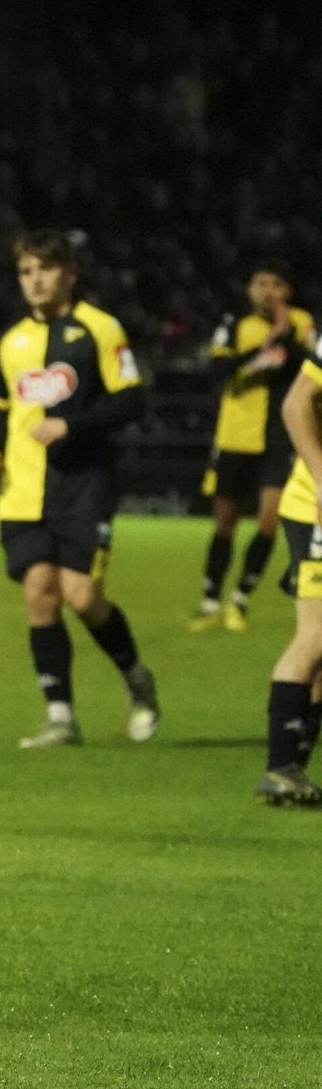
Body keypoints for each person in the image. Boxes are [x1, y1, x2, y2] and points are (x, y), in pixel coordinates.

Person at [0, 230, 158, 749]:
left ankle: (137, 679)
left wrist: (71, 427)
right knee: (40, 594)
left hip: (84, 482)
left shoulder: (100, 330)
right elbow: (0, 405)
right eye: (25, 272)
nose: (34, 281)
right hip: (23, 487)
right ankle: (61, 717)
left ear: (69, 274)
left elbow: (131, 401)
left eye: (44, 270)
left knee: (82, 596)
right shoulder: (11, 342)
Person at [191, 260, 312, 632]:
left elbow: (306, 369)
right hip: (235, 436)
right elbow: (218, 373)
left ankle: (241, 598)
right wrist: (268, 340)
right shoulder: (234, 325)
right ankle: (210, 599)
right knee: (224, 521)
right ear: (249, 290)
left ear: (287, 291)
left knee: (268, 520)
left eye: (275, 284)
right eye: (260, 283)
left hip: (278, 439)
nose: (267, 291)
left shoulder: (303, 324)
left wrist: (286, 333)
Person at [253, 333, 322, 805]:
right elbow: (296, 403)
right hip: (315, 506)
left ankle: (292, 766)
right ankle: (280, 766)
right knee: (316, 635)